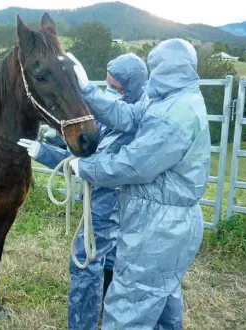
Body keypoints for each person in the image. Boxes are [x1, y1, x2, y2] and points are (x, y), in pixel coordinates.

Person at [67, 38, 210, 329]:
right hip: (169, 225)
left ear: (167, 70)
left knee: (128, 306)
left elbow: (135, 164)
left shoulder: (175, 115)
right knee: (162, 298)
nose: (152, 74)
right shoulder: (171, 98)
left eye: (155, 67)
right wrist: (87, 91)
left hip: (159, 228)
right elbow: (129, 116)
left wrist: (86, 167)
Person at [18, 52, 149, 330]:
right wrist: (58, 141)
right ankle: (105, 306)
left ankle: (82, 323)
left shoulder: (131, 124)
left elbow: (93, 165)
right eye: (107, 83)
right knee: (111, 255)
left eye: (115, 87)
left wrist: (44, 153)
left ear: (130, 88)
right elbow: (87, 149)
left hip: (107, 204)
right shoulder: (114, 113)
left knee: (86, 262)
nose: (108, 91)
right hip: (112, 204)